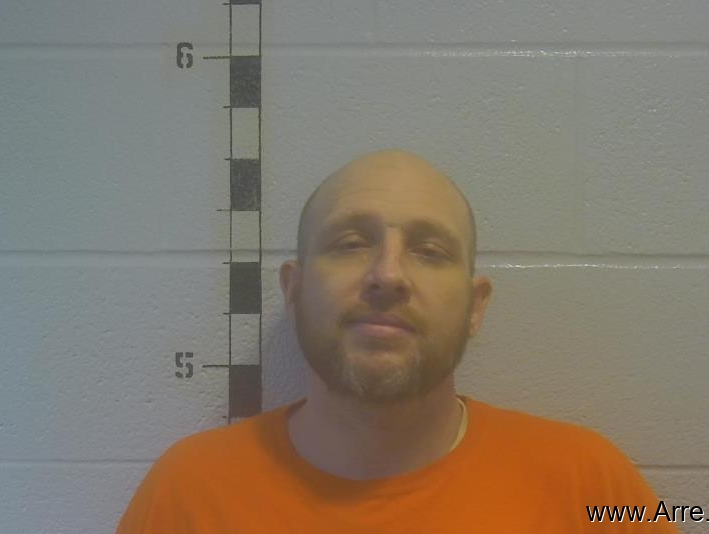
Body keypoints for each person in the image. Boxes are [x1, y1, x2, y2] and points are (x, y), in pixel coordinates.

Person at [116, 150, 678, 532]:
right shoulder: (186, 493)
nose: (387, 275)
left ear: (475, 306)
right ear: (294, 289)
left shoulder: (590, 485)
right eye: (351, 243)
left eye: (430, 251)